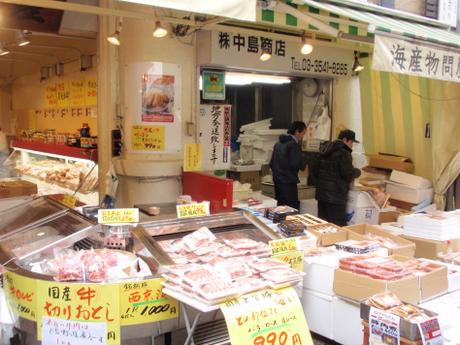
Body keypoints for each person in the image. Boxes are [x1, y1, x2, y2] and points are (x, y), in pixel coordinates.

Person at [314, 129, 361, 226]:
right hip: (336, 197)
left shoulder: (325, 150)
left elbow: (315, 171)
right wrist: (358, 171)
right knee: (338, 226)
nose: (352, 145)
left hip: (322, 195)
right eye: (351, 142)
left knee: (323, 225)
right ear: (345, 139)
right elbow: (347, 174)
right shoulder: (344, 153)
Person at [270, 121, 307, 210]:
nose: (302, 137)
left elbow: (271, 163)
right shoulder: (293, 145)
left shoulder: (278, 143)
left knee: (280, 209)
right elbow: (297, 164)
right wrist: (304, 159)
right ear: (297, 132)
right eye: (303, 133)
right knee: (291, 211)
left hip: (278, 182)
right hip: (288, 183)